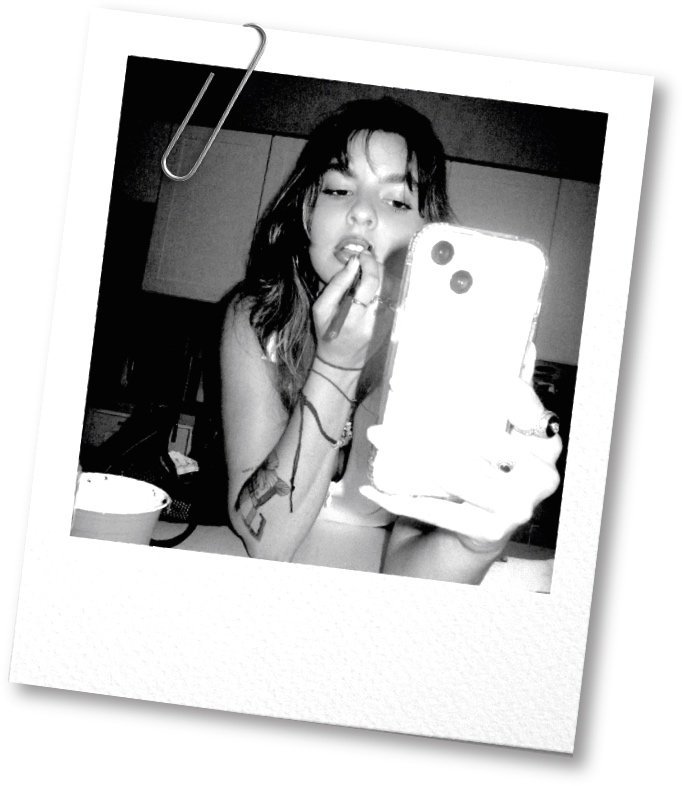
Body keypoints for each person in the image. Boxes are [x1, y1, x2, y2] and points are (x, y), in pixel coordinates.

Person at [220, 97, 561, 583]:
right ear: (307, 212)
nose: (361, 212)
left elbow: (409, 571)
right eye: (338, 189)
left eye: (397, 201)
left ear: (426, 231)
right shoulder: (256, 319)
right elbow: (266, 542)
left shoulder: (439, 351)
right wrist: (337, 366)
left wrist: (475, 542)